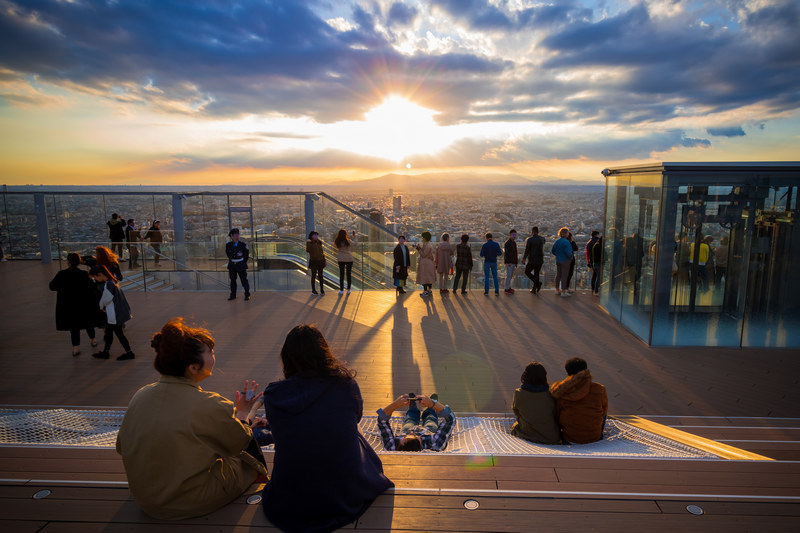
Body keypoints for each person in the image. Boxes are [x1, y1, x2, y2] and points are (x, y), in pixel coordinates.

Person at [116, 318, 268, 520]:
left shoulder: (140, 395)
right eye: (210, 353)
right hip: (186, 502)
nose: (214, 356)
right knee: (247, 461)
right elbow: (240, 442)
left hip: (145, 499)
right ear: (193, 368)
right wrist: (242, 413)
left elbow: (120, 446)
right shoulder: (210, 403)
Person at [260, 325, 393, 532]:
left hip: (291, 496)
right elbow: (356, 417)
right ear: (323, 352)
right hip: (343, 493)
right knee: (353, 434)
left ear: (287, 357)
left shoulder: (274, 395)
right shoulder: (345, 384)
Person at [49, 252, 99, 356]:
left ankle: (75, 348)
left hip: (68, 305)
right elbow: (93, 288)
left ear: (68, 262)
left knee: (74, 327)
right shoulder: (84, 274)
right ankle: (93, 340)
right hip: (83, 304)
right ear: (79, 262)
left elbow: (52, 286)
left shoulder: (61, 274)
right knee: (88, 323)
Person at [549, 357, 608, 444]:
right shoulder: (599, 389)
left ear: (568, 372)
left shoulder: (562, 392)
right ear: (586, 370)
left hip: (569, 438)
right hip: (594, 437)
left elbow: (557, 416)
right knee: (602, 408)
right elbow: (604, 411)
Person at [377, 393, 455, 451]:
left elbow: (382, 421)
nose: (413, 432)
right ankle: (431, 406)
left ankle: (413, 407)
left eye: (405, 438)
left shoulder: (392, 447)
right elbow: (450, 420)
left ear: (400, 445)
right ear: (421, 446)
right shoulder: (435, 445)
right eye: (416, 437)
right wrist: (432, 404)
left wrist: (395, 405)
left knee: (410, 420)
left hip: (405, 431)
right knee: (431, 418)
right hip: (428, 432)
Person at [89, 265, 135, 361]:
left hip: (114, 314)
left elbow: (106, 299)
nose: (96, 280)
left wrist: (101, 306)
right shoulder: (113, 281)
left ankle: (129, 352)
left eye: (95, 278)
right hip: (115, 313)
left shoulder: (108, 284)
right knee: (110, 333)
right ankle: (107, 352)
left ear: (100, 275)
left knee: (117, 334)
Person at [511, 362, 562, 445]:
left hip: (527, 435)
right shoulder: (550, 395)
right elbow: (555, 414)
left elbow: (516, 412)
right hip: (550, 437)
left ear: (525, 376)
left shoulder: (519, 393)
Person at [225, 228, 251, 301]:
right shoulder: (228, 245)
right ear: (232, 236)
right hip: (232, 265)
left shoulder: (243, 245)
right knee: (233, 281)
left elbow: (246, 255)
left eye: (238, 235)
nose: (237, 236)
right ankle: (233, 295)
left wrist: (242, 262)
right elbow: (228, 255)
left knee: (244, 280)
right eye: (235, 235)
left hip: (241, 264)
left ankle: (247, 294)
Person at [551, 227, 573, 297]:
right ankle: (563, 291)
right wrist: (570, 257)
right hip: (565, 260)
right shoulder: (567, 242)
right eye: (567, 232)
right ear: (566, 233)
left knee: (558, 275)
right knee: (564, 276)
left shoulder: (557, 241)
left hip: (558, 260)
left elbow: (553, 251)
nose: (568, 234)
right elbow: (568, 252)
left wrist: (558, 255)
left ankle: (557, 290)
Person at [333, 229, 357, 294]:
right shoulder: (347, 241)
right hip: (349, 258)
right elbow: (355, 243)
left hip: (341, 258)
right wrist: (355, 238)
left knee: (342, 274)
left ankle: (341, 290)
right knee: (348, 274)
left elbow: (335, 246)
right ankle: (348, 289)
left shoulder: (337, 241)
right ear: (345, 234)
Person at [522, 227, 545, 294]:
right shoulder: (542, 239)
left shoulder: (530, 240)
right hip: (540, 260)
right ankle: (534, 288)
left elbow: (527, 250)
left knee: (527, 272)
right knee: (536, 273)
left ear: (532, 232)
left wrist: (524, 258)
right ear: (538, 232)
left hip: (532, 260)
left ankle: (537, 284)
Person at [415, 231, 435, 297]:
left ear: (425, 238)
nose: (422, 238)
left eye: (422, 237)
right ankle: (429, 290)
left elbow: (423, 254)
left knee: (424, 277)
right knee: (429, 277)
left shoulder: (427, 245)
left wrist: (418, 249)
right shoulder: (429, 244)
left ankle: (425, 291)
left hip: (425, 263)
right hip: (429, 263)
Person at [306, 230, 326, 295]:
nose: (316, 236)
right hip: (313, 261)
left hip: (320, 261)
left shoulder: (319, 242)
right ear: (311, 236)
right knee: (313, 276)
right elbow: (308, 250)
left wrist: (324, 260)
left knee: (321, 276)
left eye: (316, 235)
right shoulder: (309, 242)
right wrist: (309, 243)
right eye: (314, 235)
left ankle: (322, 289)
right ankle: (313, 290)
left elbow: (322, 252)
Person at [586, 231, 602, 296]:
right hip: (598, 260)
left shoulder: (588, 243)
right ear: (597, 235)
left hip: (592, 261)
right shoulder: (598, 242)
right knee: (598, 276)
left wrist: (588, 262)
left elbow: (587, 253)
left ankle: (592, 289)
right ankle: (596, 290)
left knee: (594, 275)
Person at [503, 229, 518, 294]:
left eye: (515, 235)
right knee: (509, 275)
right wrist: (508, 262)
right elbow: (506, 253)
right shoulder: (507, 243)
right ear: (510, 235)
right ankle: (506, 289)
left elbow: (515, 253)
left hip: (513, 262)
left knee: (510, 275)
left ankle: (508, 287)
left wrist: (516, 262)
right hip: (509, 262)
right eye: (513, 235)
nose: (514, 236)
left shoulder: (514, 243)